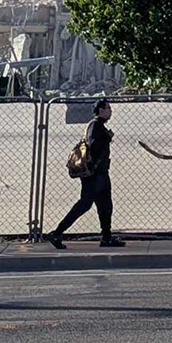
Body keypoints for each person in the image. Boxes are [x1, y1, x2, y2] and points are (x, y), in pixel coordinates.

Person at [48, 100, 123, 249]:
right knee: (84, 205)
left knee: (105, 205)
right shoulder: (95, 125)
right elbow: (93, 144)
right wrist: (106, 137)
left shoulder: (98, 126)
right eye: (108, 108)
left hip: (100, 173)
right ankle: (57, 233)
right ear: (100, 110)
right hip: (94, 175)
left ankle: (106, 237)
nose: (110, 111)